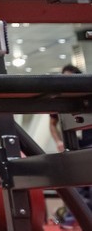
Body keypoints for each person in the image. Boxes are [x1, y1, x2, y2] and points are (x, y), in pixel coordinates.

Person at [49, 64, 92, 228]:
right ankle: (65, 222)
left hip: (89, 145)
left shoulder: (86, 95)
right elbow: (52, 123)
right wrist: (58, 141)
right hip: (72, 147)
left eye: (69, 78)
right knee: (75, 189)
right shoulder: (59, 98)